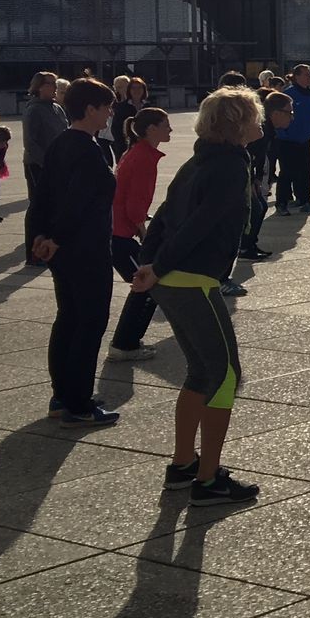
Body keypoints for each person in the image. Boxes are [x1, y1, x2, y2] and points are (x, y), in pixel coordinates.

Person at [131, 85, 264, 507]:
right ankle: (208, 481)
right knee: (225, 375)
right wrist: (158, 265)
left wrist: (149, 263)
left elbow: (164, 216)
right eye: (255, 115)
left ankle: (183, 463)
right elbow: (199, 225)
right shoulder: (230, 165)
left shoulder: (199, 160)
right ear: (238, 124)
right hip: (192, 279)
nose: (260, 122)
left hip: (172, 278)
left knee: (200, 372)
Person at [31, 78, 122, 426]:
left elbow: (42, 195)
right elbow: (77, 201)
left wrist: (41, 235)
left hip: (62, 250)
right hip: (85, 248)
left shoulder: (61, 143)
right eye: (107, 107)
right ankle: (79, 403)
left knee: (68, 318)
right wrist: (56, 236)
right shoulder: (87, 149)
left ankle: (62, 395)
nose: (110, 113)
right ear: (90, 109)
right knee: (90, 322)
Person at [109, 106, 169, 357]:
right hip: (121, 233)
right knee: (147, 284)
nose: (170, 130)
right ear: (152, 129)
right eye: (166, 125)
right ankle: (124, 344)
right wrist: (143, 230)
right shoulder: (144, 157)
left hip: (117, 230)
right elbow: (134, 203)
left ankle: (126, 342)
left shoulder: (136, 152)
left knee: (145, 284)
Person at [238, 91, 291, 262]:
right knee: (257, 208)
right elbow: (249, 154)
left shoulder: (269, 129)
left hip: (252, 174)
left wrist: (258, 177)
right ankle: (245, 246)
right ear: (276, 113)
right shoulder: (261, 130)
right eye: (289, 112)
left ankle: (249, 244)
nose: (291, 117)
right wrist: (252, 179)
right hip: (244, 174)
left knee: (259, 206)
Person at [21, 71, 66, 265]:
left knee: (52, 206)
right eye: (50, 84)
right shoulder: (34, 109)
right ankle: (33, 253)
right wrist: (46, 164)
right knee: (37, 207)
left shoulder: (57, 108)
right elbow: (30, 142)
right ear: (39, 86)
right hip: (38, 165)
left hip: (57, 166)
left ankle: (47, 247)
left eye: (55, 83)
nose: (55, 87)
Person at [273, 63, 310, 213]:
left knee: (306, 171)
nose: (309, 77)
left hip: (304, 140)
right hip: (287, 140)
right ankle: (282, 203)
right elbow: (277, 116)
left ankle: (305, 200)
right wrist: (283, 134)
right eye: (306, 74)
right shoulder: (288, 94)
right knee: (287, 172)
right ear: (297, 76)